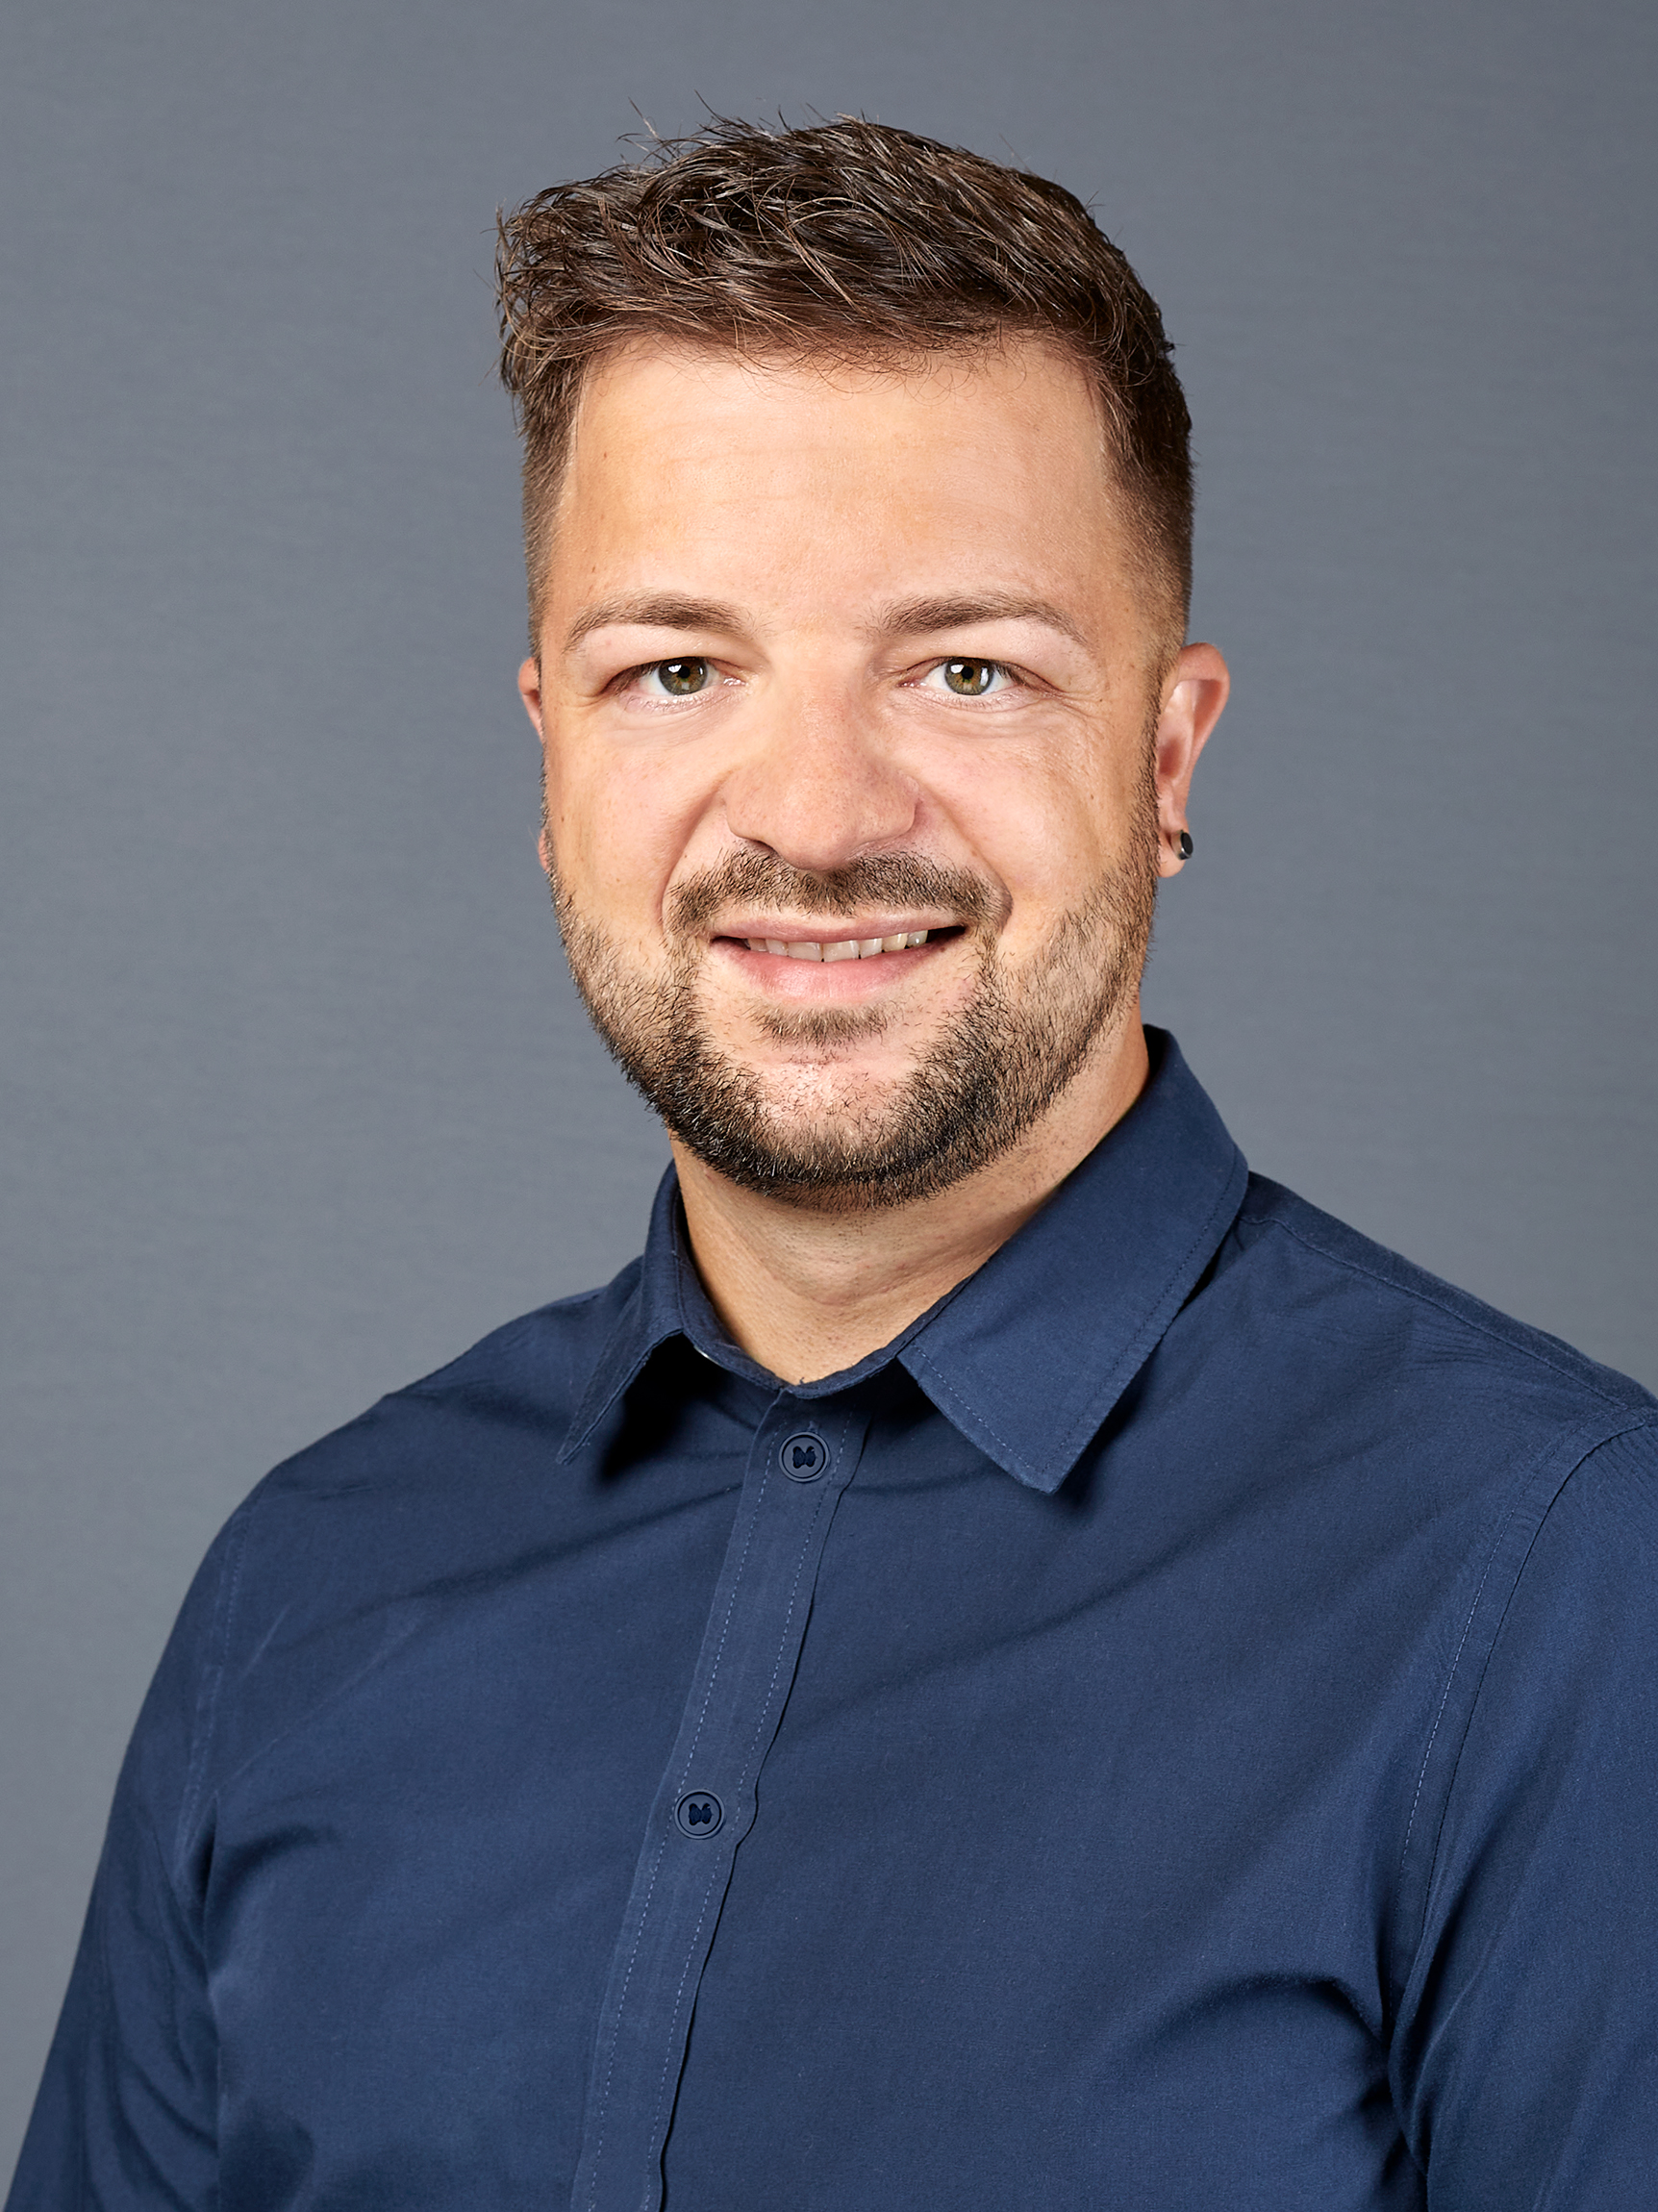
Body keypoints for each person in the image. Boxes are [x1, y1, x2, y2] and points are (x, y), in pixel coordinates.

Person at [9, 116, 1657, 2212]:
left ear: (1167, 756)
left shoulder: (1562, 1579)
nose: (812, 813)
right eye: (676, 670)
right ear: (551, 756)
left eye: (966, 670)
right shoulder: (310, 1586)